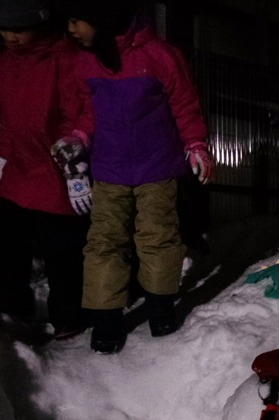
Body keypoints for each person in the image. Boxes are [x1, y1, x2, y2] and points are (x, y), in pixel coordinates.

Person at [62, 0, 213, 353]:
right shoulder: (85, 61)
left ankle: (160, 309)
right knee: (104, 242)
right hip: (108, 168)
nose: (71, 29)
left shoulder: (159, 54)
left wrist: (195, 144)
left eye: (77, 20)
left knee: (158, 237)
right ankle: (106, 319)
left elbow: (184, 104)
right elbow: (86, 110)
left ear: (102, 17)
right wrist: (79, 137)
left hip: (157, 167)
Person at [0, 0, 90, 341]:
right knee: (9, 245)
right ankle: (13, 311)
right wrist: (2, 156)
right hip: (17, 166)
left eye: (19, 30)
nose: (10, 37)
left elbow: (75, 109)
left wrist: (71, 155)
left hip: (55, 166)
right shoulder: (6, 62)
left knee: (62, 248)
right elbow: (5, 118)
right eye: (4, 29)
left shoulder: (64, 58)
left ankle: (69, 317)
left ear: (38, 25)